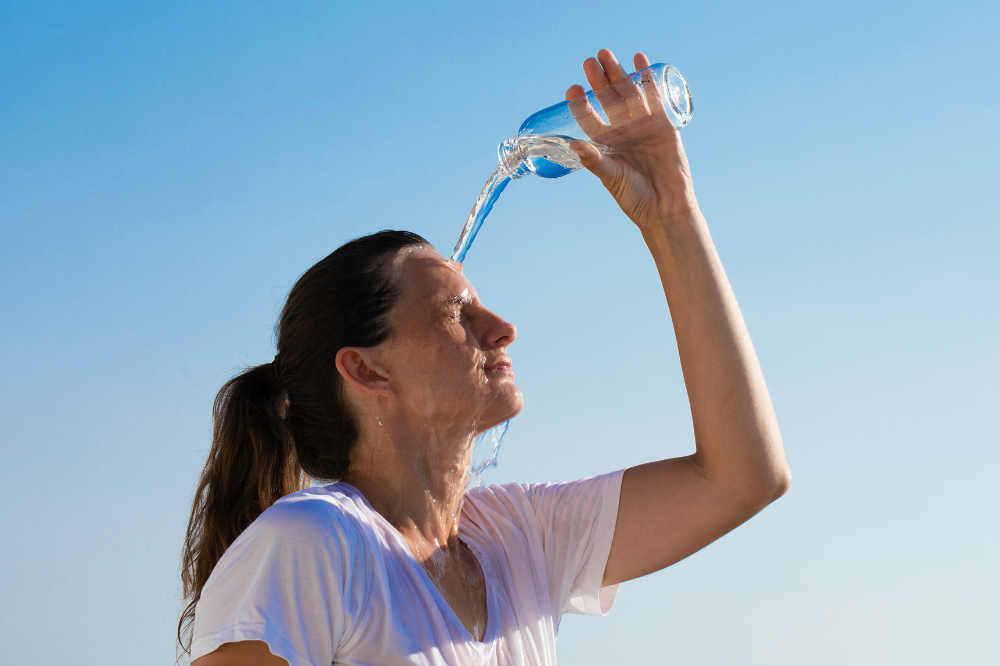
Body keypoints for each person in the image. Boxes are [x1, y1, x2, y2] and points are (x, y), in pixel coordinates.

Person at [180, 49, 791, 666]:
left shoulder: (520, 538)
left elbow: (743, 478)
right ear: (366, 369)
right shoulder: (316, 543)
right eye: (455, 314)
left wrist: (672, 215)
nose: (503, 329)